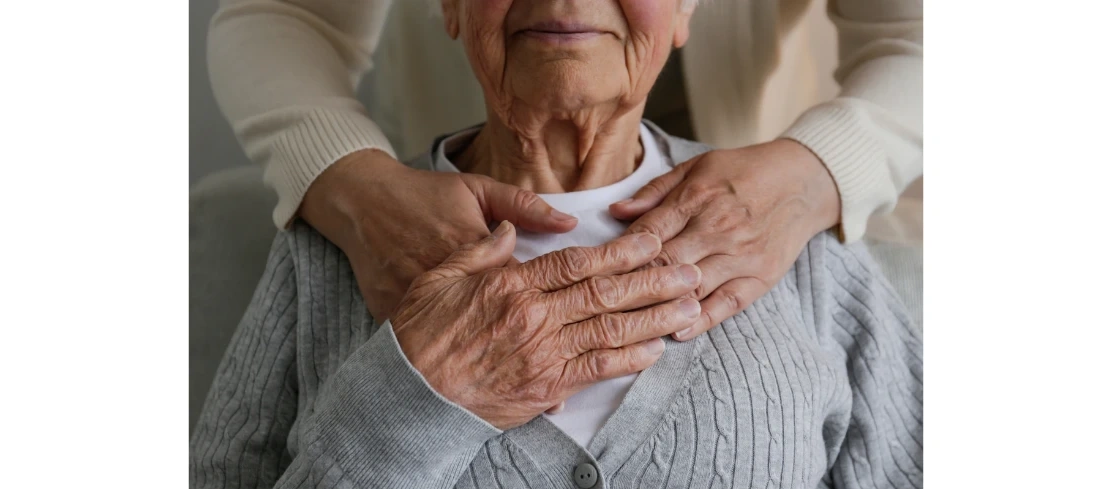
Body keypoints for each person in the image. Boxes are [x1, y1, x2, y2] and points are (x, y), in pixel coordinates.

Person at [190, 1, 923, 487]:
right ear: (448, 4)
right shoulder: (341, 246)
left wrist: (819, 171)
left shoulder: (797, 247)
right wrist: (410, 399)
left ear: (684, 7)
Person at [205, 0, 923, 340]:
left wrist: (814, 173)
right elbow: (283, 11)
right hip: (436, 201)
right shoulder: (323, 274)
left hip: (757, 201)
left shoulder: (823, 290)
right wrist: (354, 186)